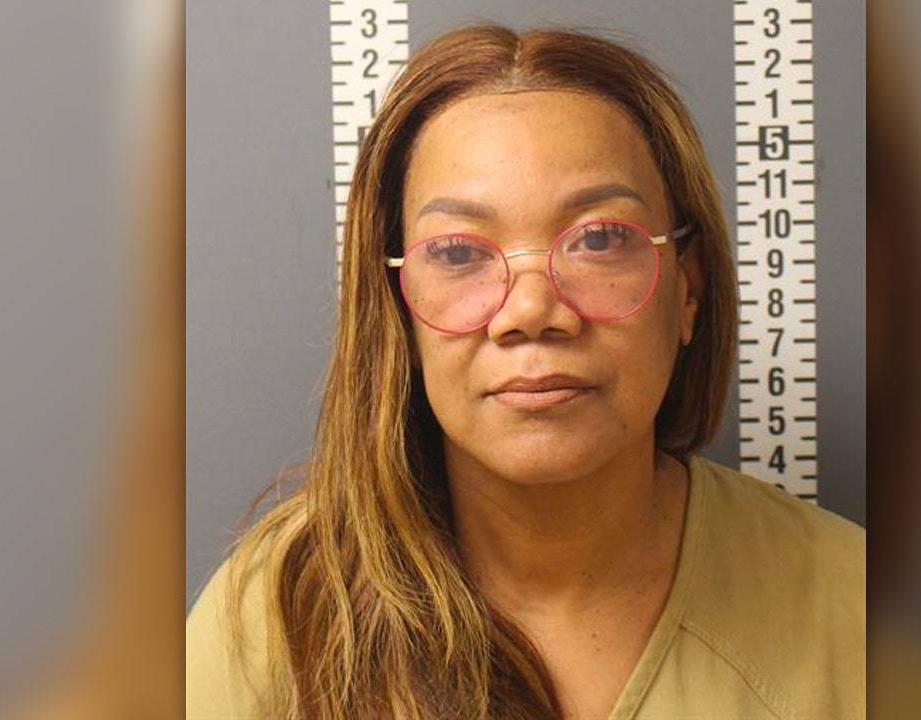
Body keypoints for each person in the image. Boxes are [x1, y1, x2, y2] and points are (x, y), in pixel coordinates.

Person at [187, 24, 863, 720]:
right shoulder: (273, 617)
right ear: (399, 311)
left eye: (600, 239)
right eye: (458, 253)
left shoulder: (854, 611)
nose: (532, 311)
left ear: (686, 290)